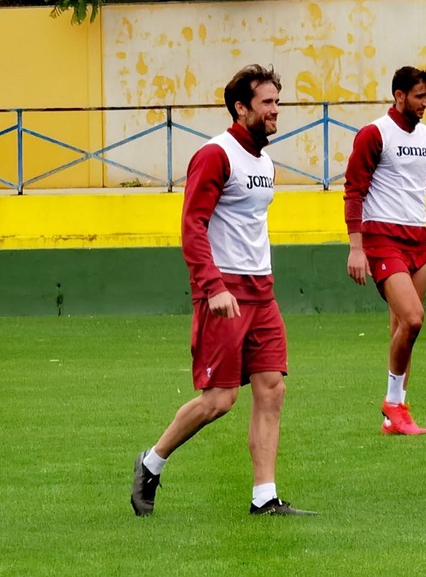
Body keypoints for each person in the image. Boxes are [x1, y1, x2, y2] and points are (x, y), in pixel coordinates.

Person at [130, 64, 314, 516]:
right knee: (221, 399)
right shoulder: (215, 155)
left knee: (271, 389)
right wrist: (212, 287)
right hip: (223, 294)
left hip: (261, 293)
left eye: (277, 102)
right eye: (267, 103)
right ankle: (151, 462)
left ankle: (264, 498)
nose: (276, 111)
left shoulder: (265, 161)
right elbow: (192, 225)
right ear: (241, 107)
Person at [344, 66, 426, 436]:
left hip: (417, 240)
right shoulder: (374, 134)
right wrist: (356, 248)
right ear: (399, 96)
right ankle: (394, 403)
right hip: (381, 238)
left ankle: (393, 417)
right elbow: (354, 190)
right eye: (420, 96)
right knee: (414, 319)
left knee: (403, 328)